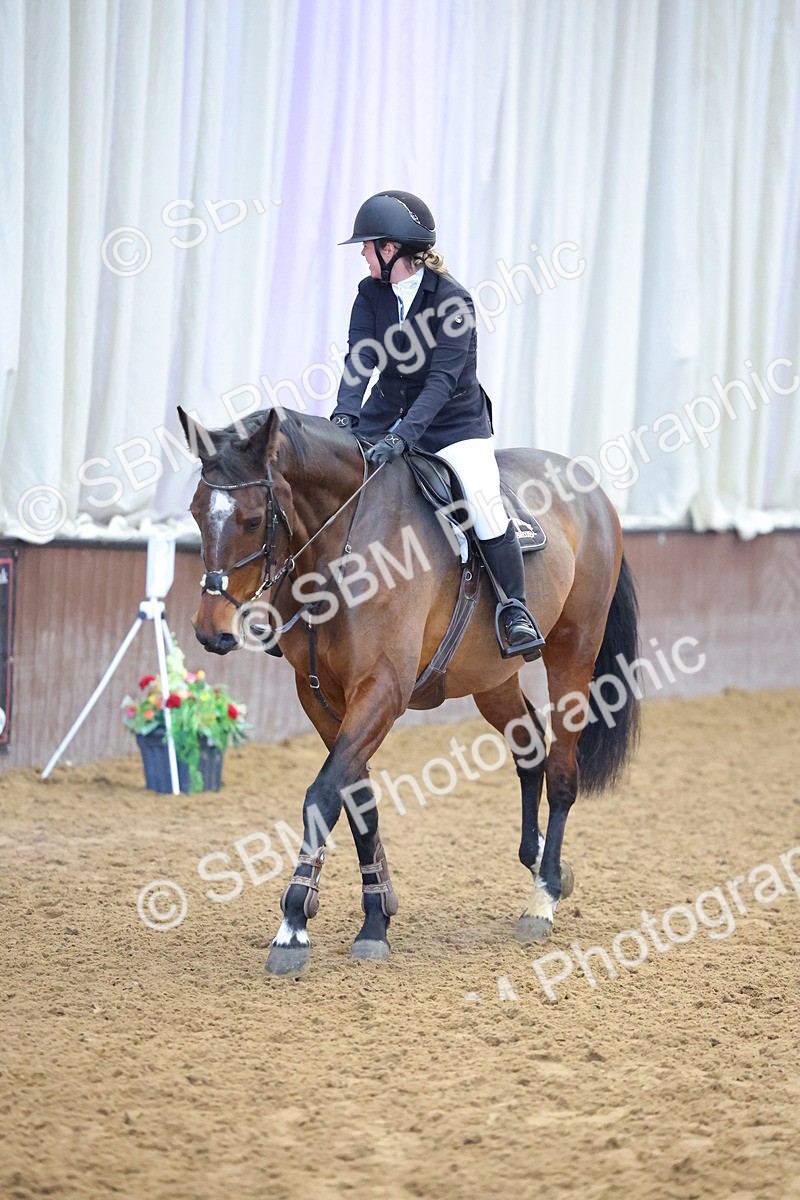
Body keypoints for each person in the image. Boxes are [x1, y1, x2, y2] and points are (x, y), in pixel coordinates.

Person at [331, 189, 544, 660]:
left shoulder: (452, 302)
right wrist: (346, 416)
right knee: (333, 479)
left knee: (485, 504)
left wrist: (400, 438)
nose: (362, 254)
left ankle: (514, 609)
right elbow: (361, 358)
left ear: (390, 251)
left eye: (367, 246)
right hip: (385, 413)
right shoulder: (371, 292)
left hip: (453, 425)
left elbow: (441, 384)